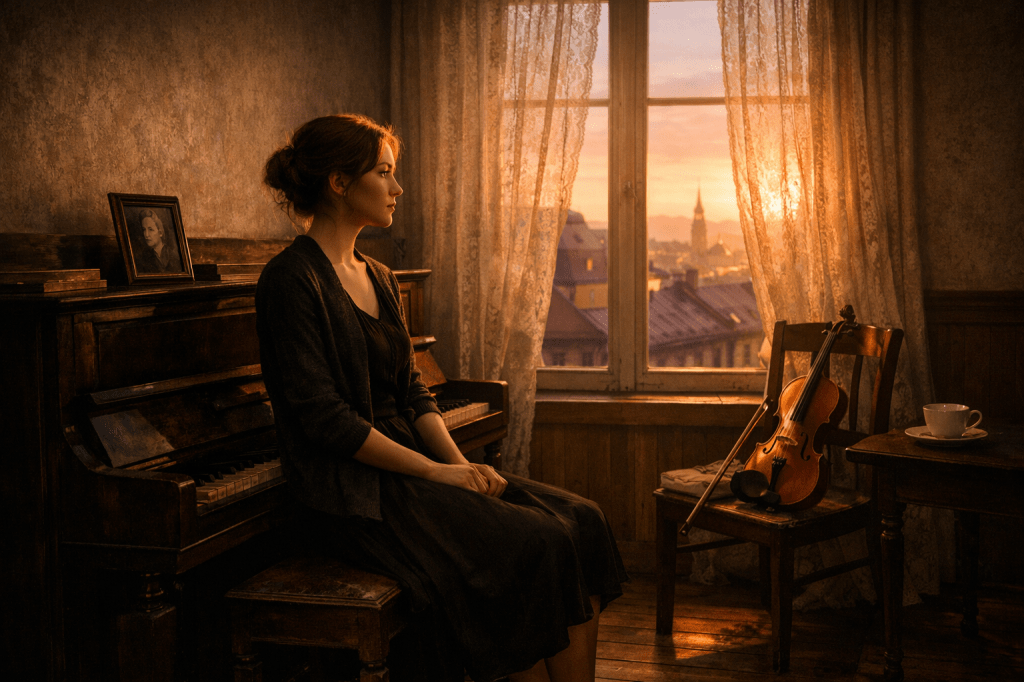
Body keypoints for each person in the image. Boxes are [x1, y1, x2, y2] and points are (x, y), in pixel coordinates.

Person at [256, 114, 627, 682]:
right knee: (536, 543)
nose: (397, 189)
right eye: (384, 173)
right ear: (338, 181)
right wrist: (436, 476)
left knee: (583, 520)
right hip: (353, 490)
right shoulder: (290, 279)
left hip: (414, 465)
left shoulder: (379, 275)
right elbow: (326, 421)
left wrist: (462, 469)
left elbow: (412, 390)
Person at [134, 209, 181, 273]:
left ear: (160, 232)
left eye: (151, 229)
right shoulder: (143, 259)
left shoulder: (173, 256)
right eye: (144, 229)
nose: (146, 235)